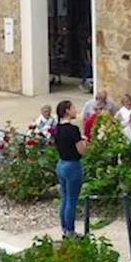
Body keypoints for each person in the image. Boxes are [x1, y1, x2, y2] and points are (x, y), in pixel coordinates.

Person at [53, 101, 87, 238]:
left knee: (65, 198)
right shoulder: (73, 130)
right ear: (67, 111)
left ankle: (64, 228)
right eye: (73, 108)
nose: (75, 110)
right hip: (72, 165)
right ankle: (70, 231)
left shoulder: (57, 128)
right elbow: (81, 151)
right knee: (72, 200)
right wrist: (84, 142)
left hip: (61, 163)